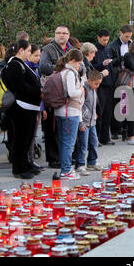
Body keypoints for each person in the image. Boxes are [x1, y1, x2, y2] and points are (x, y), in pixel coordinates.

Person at [2, 40, 42, 180]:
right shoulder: (14, 65)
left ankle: (26, 164)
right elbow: (20, 87)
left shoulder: (21, 64)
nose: (30, 54)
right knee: (21, 139)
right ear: (21, 50)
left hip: (29, 107)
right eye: (29, 51)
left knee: (27, 138)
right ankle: (19, 168)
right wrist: (38, 92)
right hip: (20, 107)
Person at [39, 26, 74, 169]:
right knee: (51, 127)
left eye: (65, 33)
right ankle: (53, 159)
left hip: (69, 92)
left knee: (66, 127)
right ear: (54, 35)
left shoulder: (72, 50)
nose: (62, 35)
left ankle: (65, 157)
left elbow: (81, 66)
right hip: (53, 91)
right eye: (59, 33)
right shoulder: (48, 49)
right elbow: (44, 67)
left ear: (69, 35)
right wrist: (65, 68)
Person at [54, 49, 85, 180]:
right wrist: (81, 89)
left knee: (64, 142)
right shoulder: (70, 73)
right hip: (70, 112)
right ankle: (66, 170)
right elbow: (72, 93)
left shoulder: (62, 71)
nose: (79, 67)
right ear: (72, 61)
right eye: (78, 64)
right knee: (69, 142)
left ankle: (65, 168)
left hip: (61, 111)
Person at [107, 25, 133, 141]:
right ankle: (114, 130)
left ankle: (125, 129)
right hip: (117, 76)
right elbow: (110, 62)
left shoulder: (131, 44)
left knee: (127, 103)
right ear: (121, 33)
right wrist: (122, 58)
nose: (128, 39)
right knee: (116, 103)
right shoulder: (113, 45)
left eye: (129, 37)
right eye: (126, 36)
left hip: (129, 75)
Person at [74, 69, 103, 175]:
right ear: (89, 80)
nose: (98, 86)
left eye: (99, 83)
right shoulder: (84, 89)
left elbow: (93, 104)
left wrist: (94, 113)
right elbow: (80, 107)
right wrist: (81, 122)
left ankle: (92, 161)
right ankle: (80, 165)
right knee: (83, 144)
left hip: (92, 121)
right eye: (96, 83)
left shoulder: (93, 89)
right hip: (84, 122)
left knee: (94, 142)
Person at [24, 44, 45, 173]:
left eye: (39, 56)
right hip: (29, 106)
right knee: (28, 135)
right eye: (35, 55)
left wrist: (42, 108)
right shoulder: (26, 68)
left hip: (37, 106)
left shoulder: (36, 69)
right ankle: (28, 160)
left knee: (33, 136)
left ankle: (31, 159)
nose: (38, 58)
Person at [92, 29, 115, 146]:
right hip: (100, 85)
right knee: (99, 113)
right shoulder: (94, 51)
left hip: (109, 84)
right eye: (104, 39)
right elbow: (92, 67)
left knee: (108, 113)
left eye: (107, 39)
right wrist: (102, 64)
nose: (106, 42)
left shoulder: (107, 49)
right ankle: (97, 138)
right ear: (98, 38)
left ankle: (106, 137)